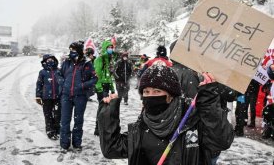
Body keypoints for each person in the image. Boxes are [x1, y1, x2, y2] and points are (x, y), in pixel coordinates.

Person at [97, 65, 234, 165]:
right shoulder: (142, 127)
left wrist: (209, 103)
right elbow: (112, 149)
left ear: (171, 96)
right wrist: (108, 113)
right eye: (146, 92)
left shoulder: (191, 120)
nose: (150, 96)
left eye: (157, 91)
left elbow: (222, 141)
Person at [59, 41, 97, 152]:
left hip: (80, 96)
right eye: (70, 50)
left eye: (74, 50)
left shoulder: (87, 64)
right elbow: (59, 74)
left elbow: (94, 78)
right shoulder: (66, 62)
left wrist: (83, 85)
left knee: (78, 120)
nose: (71, 52)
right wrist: (63, 82)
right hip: (66, 95)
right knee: (65, 120)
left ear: (80, 51)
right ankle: (64, 144)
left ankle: (76, 144)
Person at [36, 54, 63, 140]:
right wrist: (38, 96)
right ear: (44, 62)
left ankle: (57, 131)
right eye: (48, 60)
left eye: (51, 60)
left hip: (58, 97)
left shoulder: (59, 71)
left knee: (58, 115)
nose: (50, 61)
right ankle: (50, 132)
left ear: (55, 61)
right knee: (48, 115)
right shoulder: (42, 72)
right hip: (46, 98)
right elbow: (39, 85)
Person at [93, 39, 117, 136]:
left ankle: (103, 127)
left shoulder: (110, 59)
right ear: (105, 48)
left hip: (107, 85)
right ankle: (98, 128)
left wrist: (112, 87)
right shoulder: (100, 59)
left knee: (106, 108)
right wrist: (99, 87)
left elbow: (109, 76)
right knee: (102, 107)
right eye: (108, 47)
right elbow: (97, 74)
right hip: (101, 86)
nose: (110, 49)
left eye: (111, 47)